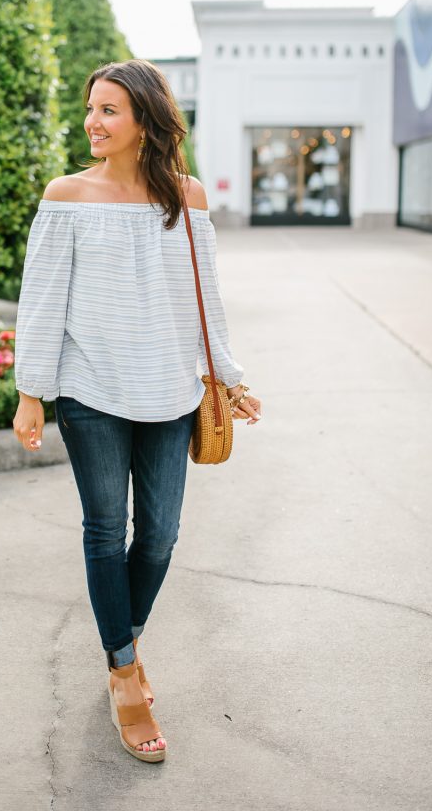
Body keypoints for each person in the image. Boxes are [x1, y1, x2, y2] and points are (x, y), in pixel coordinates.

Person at [13, 58, 261, 763]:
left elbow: (204, 297)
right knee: (104, 529)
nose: (93, 121)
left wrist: (228, 378)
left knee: (158, 536)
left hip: (169, 392)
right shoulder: (66, 194)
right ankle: (124, 671)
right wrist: (32, 391)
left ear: (147, 121)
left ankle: (124, 639)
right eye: (91, 108)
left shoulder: (186, 197)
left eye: (109, 110)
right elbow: (42, 301)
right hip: (90, 391)